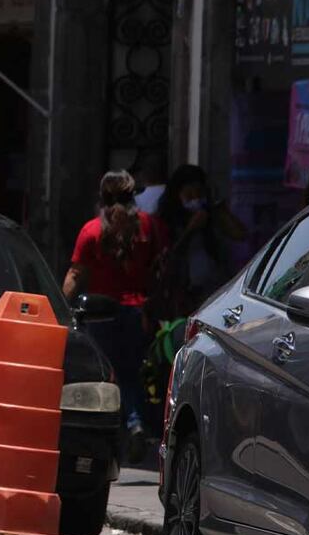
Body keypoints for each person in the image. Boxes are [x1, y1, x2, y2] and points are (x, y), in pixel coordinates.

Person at [62, 171, 167, 463]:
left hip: (99, 314)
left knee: (110, 374)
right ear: (133, 197)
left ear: (102, 199)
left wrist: (60, 307)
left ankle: (128, 426)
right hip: (138, 312)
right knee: (132, 373)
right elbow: (161, 270)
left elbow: (75, 273)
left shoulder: (92, 230)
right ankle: (135, 426)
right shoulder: (149, 227)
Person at [151, 164, 246, 320]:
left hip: (213, 289)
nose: (195, 199)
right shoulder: (166, 221)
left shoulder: (211, 215)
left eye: (199, 194)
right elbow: (167, 256)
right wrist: (190, 230)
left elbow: (239, 234)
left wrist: (218, 208)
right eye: (189, 195)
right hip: (183, 293)